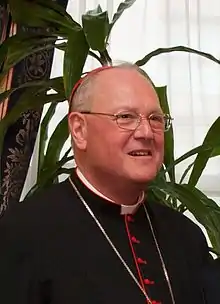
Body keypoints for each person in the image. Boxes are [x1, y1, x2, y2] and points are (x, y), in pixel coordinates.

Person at [0, 63, 216, 304]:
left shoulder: (185, 236)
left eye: (155, 118)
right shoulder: (24, 233)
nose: (146, 132)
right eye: (125, 117)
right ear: (79, 130)